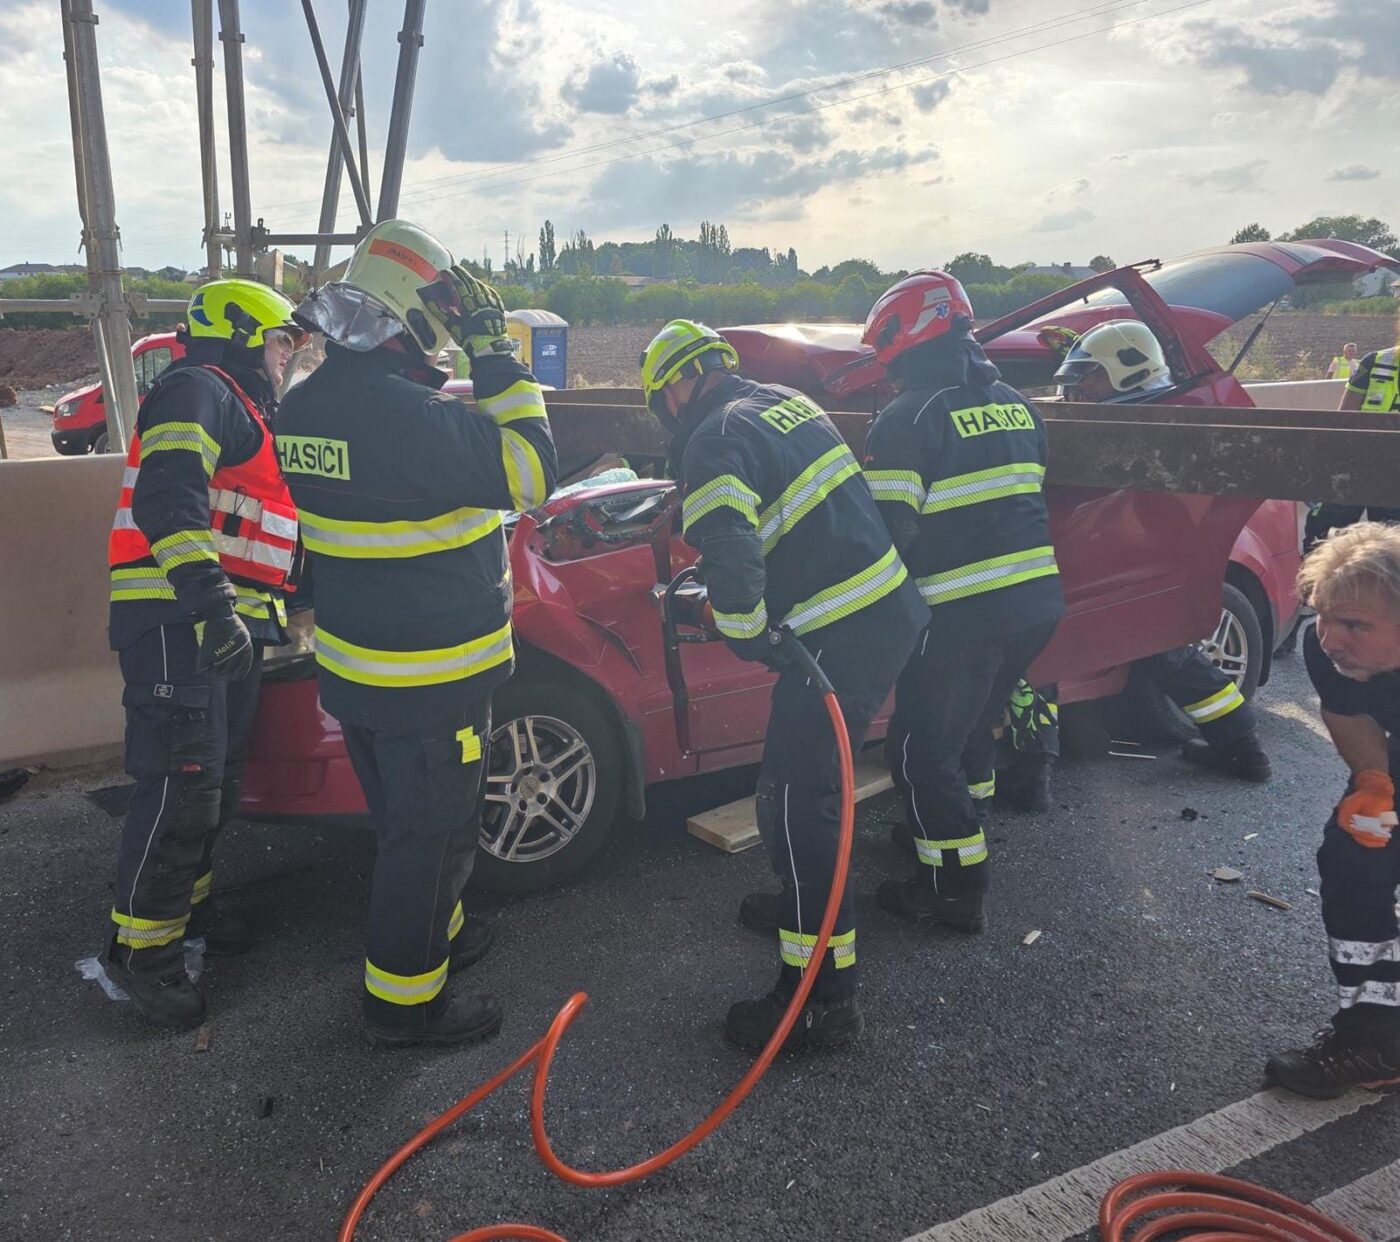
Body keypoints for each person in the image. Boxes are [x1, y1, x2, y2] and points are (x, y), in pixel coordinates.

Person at [280, 220, 557, 1049]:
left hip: (359, 674)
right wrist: (497, 356)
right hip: (430, 681)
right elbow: (534, 471)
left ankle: (447, 935)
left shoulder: (305, 406)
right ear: (414, 316)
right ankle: (406, 1005)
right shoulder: (415, 422)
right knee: (430, 836)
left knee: (410, 824)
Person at [640, 318, 926, 1051]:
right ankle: (797, 903)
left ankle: (822, 999)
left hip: (840, 639)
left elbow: (735, 576)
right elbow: (790, 524)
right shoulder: (780, 400)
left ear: (677, 383)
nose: (666, 416)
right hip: (876, 614)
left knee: (806, 809)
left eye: (660, 402)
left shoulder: (712, 441)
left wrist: (732, 624)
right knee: (785, 782)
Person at [103, 278, 306, 1030]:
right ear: (247, 335)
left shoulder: (244, 408)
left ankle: (185, 915)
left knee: (212, 784)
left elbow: (257, 526)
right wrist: (213, 604)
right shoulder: (198, 388)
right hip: (177, 619)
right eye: (283, 339)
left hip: (222, 626)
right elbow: (169, 500)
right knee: (179, 784)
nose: (289, 354)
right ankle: (141, 954)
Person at [862, 272, 1065, 934]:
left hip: (962, 616)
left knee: (920, 752)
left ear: (903, 340)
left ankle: (953, 889)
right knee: (970, 730)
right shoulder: (1017, 404)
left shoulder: (907, 418)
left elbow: (887, 534)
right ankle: (950, 827)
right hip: (1035, 606)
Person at [1052, 320, 1272, 782]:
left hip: (1143, 557)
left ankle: (1243, 748)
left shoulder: (1143, 416)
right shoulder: (1155, 408)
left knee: (1170, 652)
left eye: (1090, 376)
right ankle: (1242, 746)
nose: (1079, 388)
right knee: (1171, 653)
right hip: (1137, 557)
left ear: (1128, 370)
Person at [1266, 522, 1400, 1098]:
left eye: (1355, 625)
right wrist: (1374, 784)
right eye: (1323, 615)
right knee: (1353, 864)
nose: (1329, 639)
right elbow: (1347, 714)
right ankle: (1375, 1038)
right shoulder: (1326, 653)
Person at [1304, 343, 1400, 547]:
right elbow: (1343, 420)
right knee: (1323, 544)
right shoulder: (1375, 362)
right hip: (1354, 468)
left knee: (1391, 559)